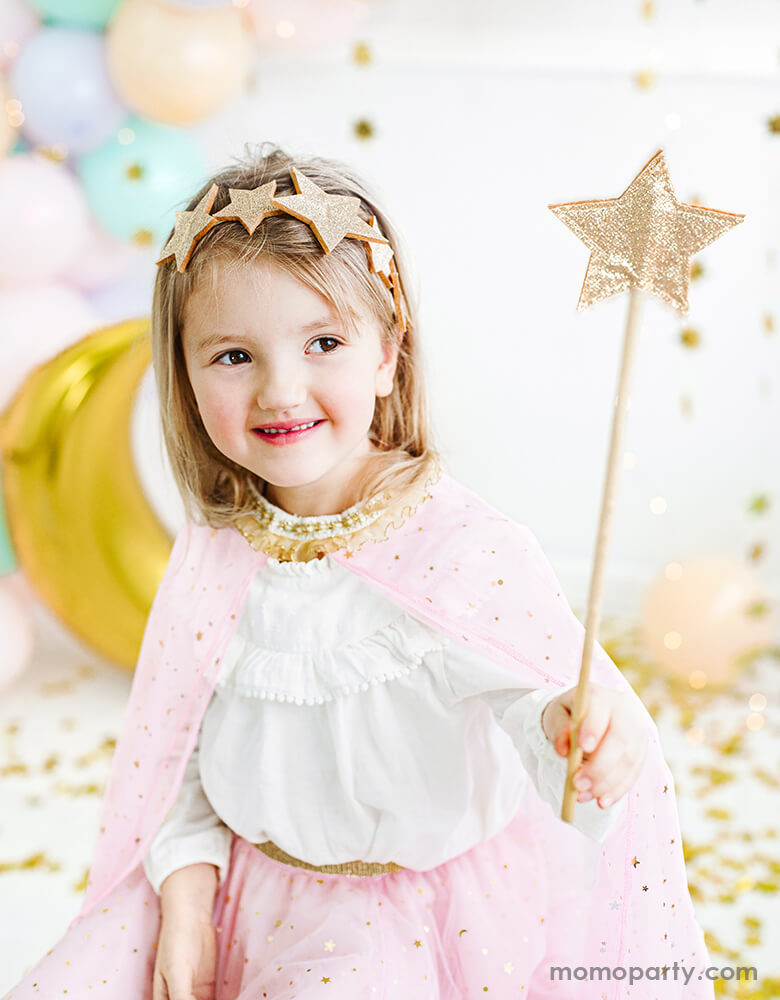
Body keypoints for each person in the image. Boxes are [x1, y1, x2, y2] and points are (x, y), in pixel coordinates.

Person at [4, 145, 714, 1000]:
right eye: (233, 355)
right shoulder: (222, 547)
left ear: (387, 357)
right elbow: (189, 743)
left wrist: (575, 731)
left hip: (398, 921)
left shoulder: (460, 551)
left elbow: (538, 722)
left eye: (324, 342)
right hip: (239, 888)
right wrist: (186, 890)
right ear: (184, 378)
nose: (281, 391)